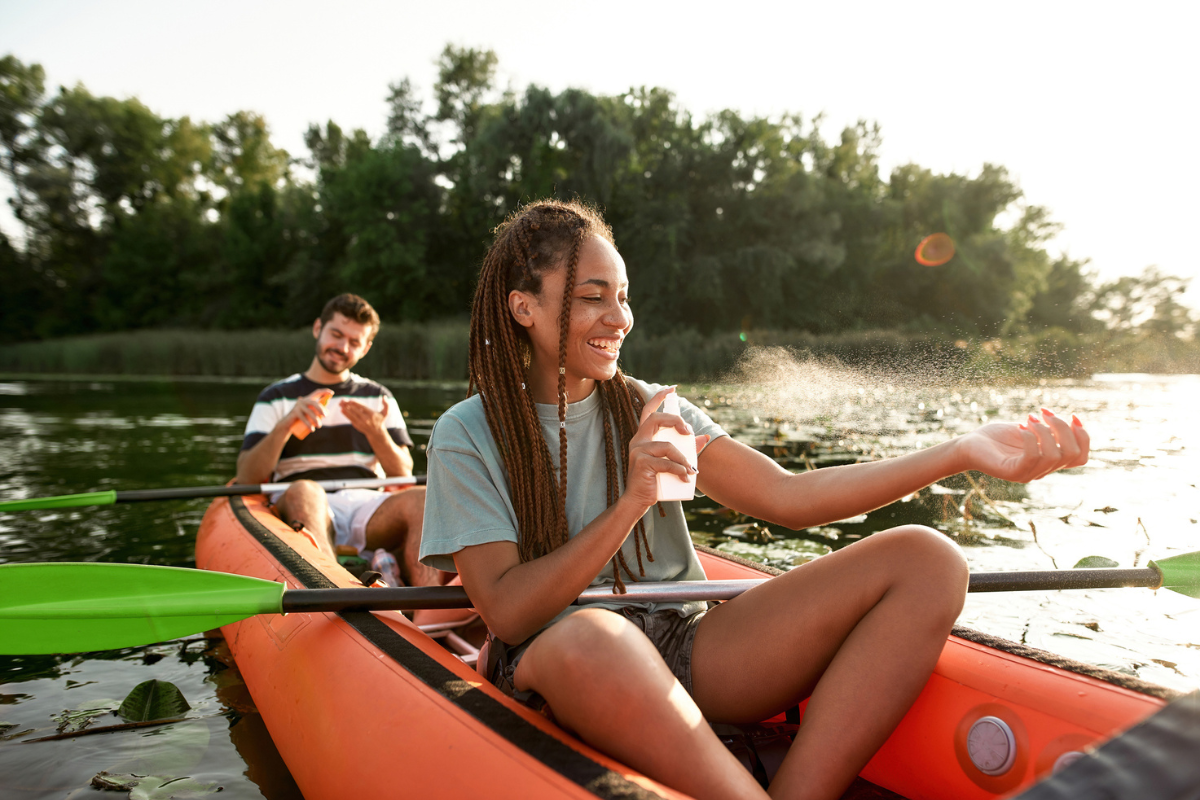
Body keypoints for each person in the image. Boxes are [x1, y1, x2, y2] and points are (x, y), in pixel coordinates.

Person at [418, 201, 1090, 800]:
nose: (619, 318)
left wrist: (959, 451)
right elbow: (506, 613)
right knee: (598, 634)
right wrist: (630, 503)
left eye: (623, 297)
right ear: (524, 307)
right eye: (594, 297)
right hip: (561, 659)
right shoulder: (467, 435)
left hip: (686, 645)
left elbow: (789, 495)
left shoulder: (654, 409)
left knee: (930, 558)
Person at [237, 293, 439, 587]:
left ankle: (428, 609)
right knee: (307, 490)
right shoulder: (276, 396)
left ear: (366, 348)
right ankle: (336, 593)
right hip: (303, 500)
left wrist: (376, 432)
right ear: (318, 328)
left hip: (368, 505)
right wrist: (286, 424)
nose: (342, 347)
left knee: (424, 497)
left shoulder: (378, 396)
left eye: (354, 342)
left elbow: (402, 474)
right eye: (336, 334)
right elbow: (246, 476)